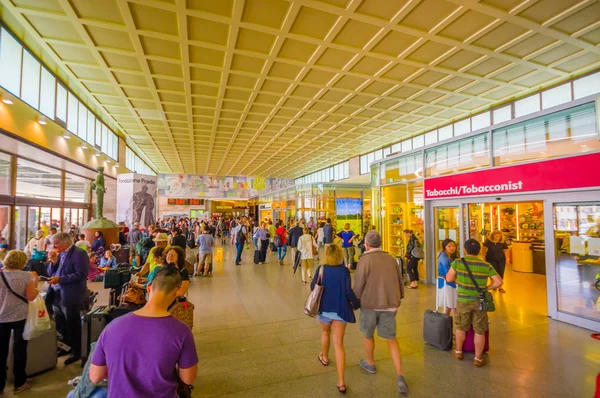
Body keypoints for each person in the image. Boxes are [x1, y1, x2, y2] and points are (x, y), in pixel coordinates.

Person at [89, 265, 198, 396]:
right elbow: (188, 378)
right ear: (177, 291)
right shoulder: (181, 331)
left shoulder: (112, 327)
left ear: (148, 287)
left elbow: (95, 376)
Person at [353, 231, 408, 394]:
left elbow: (358, 283)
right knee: (392, 338)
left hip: (370, 304)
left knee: (368, 334)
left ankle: (370, 363)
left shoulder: (365, 259)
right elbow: (400, 279)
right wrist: (399, 297)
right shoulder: (391, 258)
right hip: (390, 304)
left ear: (366, 243)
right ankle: (399, 374)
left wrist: (354, 302)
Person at [446, 239, 503, 367]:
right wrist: (487, 288)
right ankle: (477, 358)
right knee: (479, 329)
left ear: (465, 250)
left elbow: (449, 278)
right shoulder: (486, 265)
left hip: (463, 300)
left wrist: (460, 282)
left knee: (461, 326)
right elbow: (499, 282)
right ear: (478, 251)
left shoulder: (458, 262)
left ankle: (459, 351)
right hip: (480, 301)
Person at [312, 245, 359, 394]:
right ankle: (341, 382)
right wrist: (356, 303)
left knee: (325, 333)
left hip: (324, 309)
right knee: (338, 343)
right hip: (340, 310)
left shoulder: (321, 269)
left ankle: (324, 357)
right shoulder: (344, 271)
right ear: (339, 255)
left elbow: (314, 287)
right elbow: (348, 291)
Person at [47, 232, 90, 365]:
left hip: (71, 293)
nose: (54, 247)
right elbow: (50, 273)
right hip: (56, 293)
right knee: (61, 323)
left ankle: (76, 351)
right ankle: (66, 346)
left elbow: (81, 274)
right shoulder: (60, 254)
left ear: (66, 242)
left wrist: (61, 279)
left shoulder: (79, 254)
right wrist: (53, 263)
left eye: (56, 244)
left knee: (73, 324)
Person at [0, 250, 39, 394]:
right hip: (19, 317)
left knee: (1, 351)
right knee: (19, 349)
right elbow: (30, 296)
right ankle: (20, 382)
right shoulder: (27, 276)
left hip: (1, 317)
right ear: (22, 262)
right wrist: (36, 284)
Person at [437, 239, 457, 316]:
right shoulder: (444, 257)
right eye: (449, 246)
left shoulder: (447, 256)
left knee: (451, 303)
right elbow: (447, 271)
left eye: (453, 246)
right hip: (447, 282)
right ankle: (456, 320)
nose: (452, 248)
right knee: (453, 303)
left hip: (447, 281)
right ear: (445, 247)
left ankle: (448, 319)